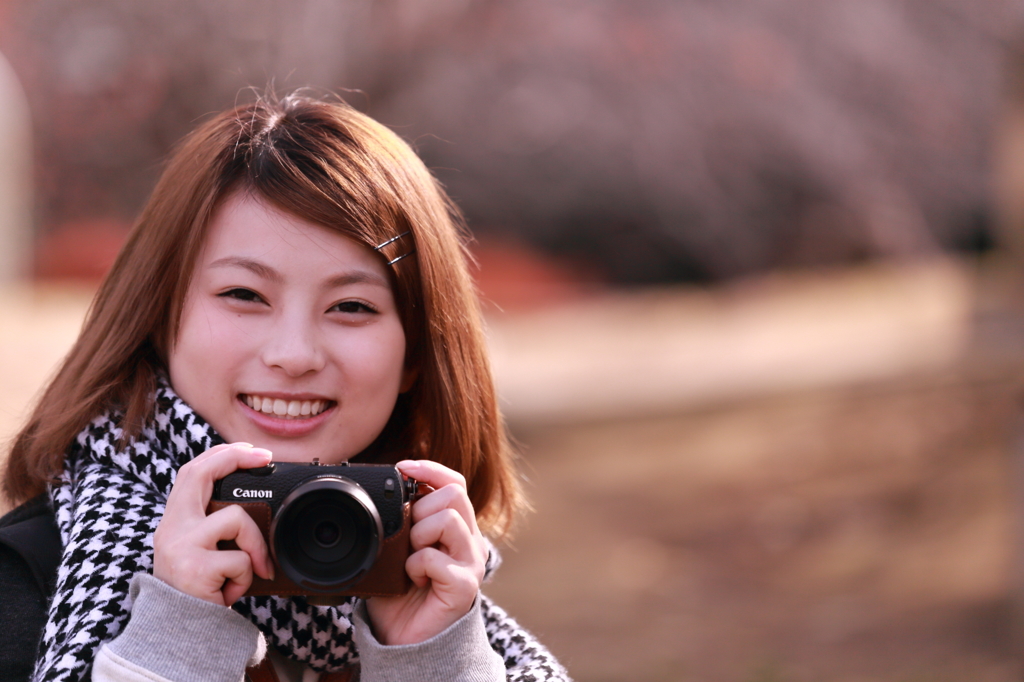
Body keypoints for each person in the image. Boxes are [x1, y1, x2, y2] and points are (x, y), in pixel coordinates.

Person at [1, 94, 571, 682]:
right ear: (158, 319)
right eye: (244, 295)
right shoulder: (25, 584)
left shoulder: (439, 605)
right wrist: (176, 640)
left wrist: (433, 664)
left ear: (416, 355)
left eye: (351, 306)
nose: (294, 355)